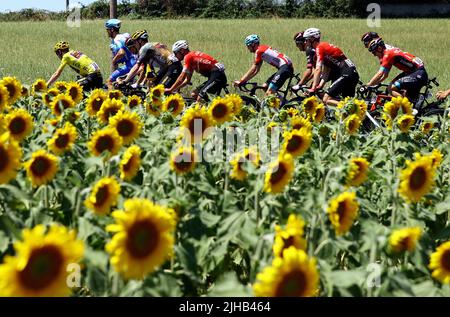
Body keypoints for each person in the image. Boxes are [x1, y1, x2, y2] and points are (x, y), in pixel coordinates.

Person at [304, 28, 360, 107]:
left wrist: (313, 88)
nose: (305, 42)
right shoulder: (324, 47)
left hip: (346, 74)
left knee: (326, 99)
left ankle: (352, 107)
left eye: (306, 40)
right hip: (352, 73)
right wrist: (320, 86)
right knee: (347, 101)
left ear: (312, 39)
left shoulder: (320, 47)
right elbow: (326, 71)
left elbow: (318, 69)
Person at [118, 30, 182, 89]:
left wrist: (125, 81)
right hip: (169, 67)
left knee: (160, 90)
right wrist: (130, 78)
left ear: (140, 41)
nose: (134, 44)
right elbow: (145, 70)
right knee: (153, 86)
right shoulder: (150, 47)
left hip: (173, 66)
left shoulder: (145, 48)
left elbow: (137, 66)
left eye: (135, 42)